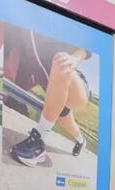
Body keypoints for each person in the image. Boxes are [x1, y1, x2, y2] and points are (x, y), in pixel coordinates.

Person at [8, 30, 92, 166]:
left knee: (61, 60)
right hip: (55, 92)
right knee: (69, 124)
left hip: (72, 80)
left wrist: (74, 59)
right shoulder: (24, 35)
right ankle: (81, 141)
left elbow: (85, 48)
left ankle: (37, 143)